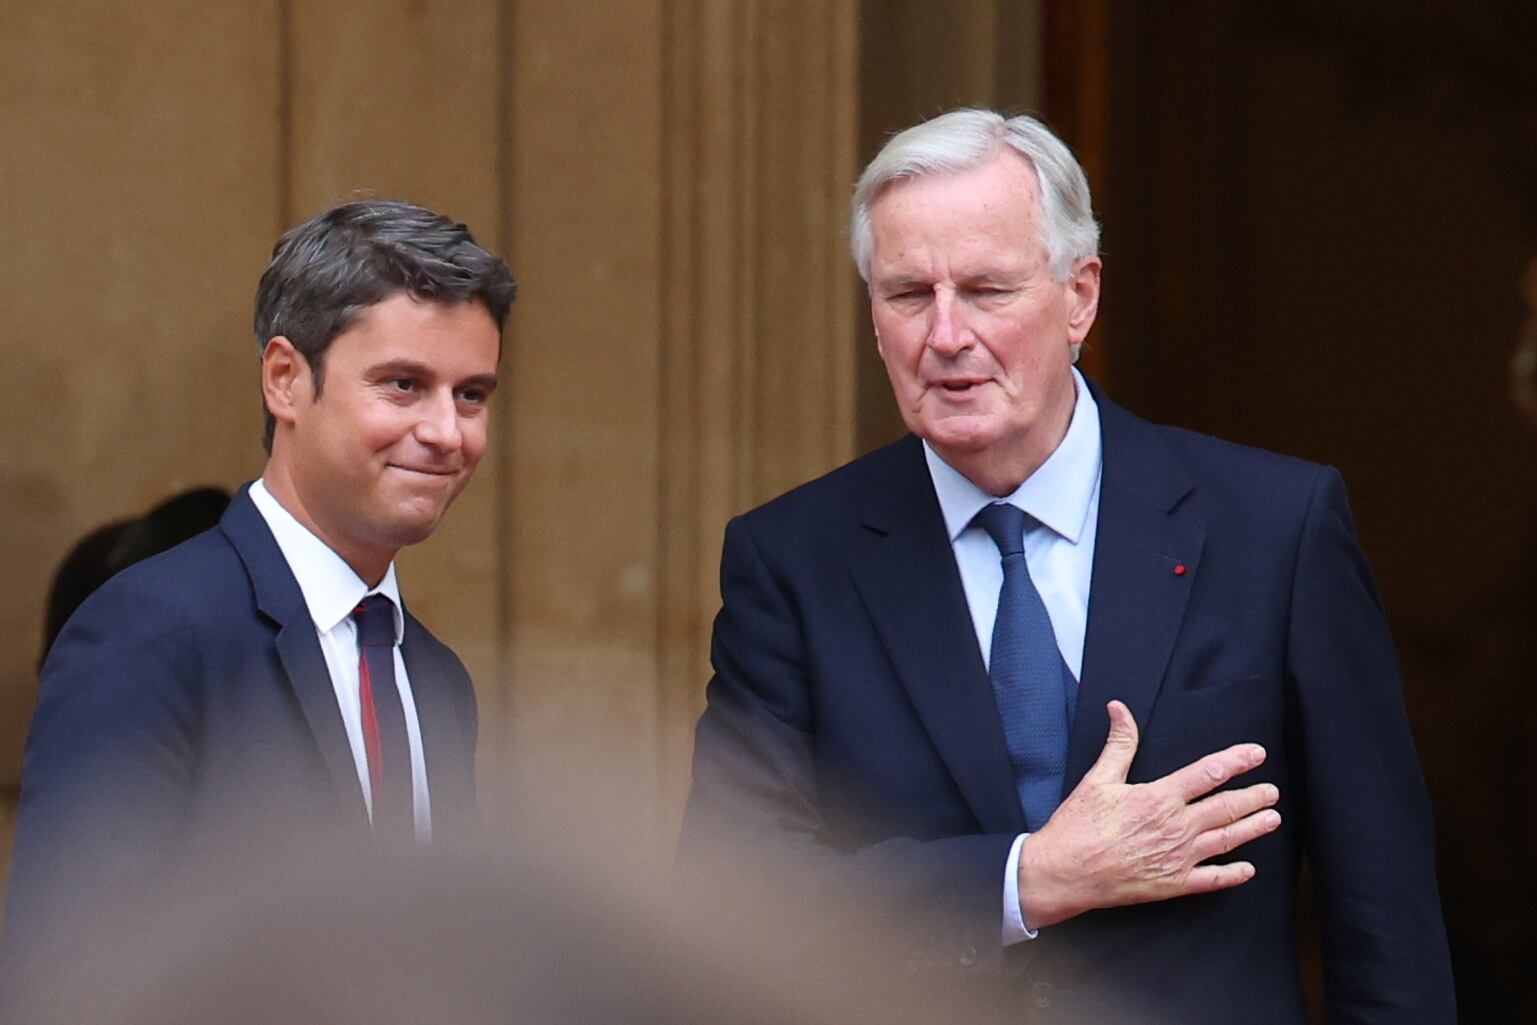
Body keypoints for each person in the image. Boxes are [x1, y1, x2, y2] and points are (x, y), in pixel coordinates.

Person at [682, 109, 1455, 1024]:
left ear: (1078, 295)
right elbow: (733, 892)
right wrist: (1023, 881)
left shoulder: (1271, 530)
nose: (945, 333)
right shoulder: (794, 559)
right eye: (905, 293)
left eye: (985, 288)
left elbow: (1384, 916)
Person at [1, 199, 516, 1018]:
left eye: (472, 395)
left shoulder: (437, 682)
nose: (447, 432)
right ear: (285, 379)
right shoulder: (149, 628)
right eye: (403, 385)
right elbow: (62, 976)